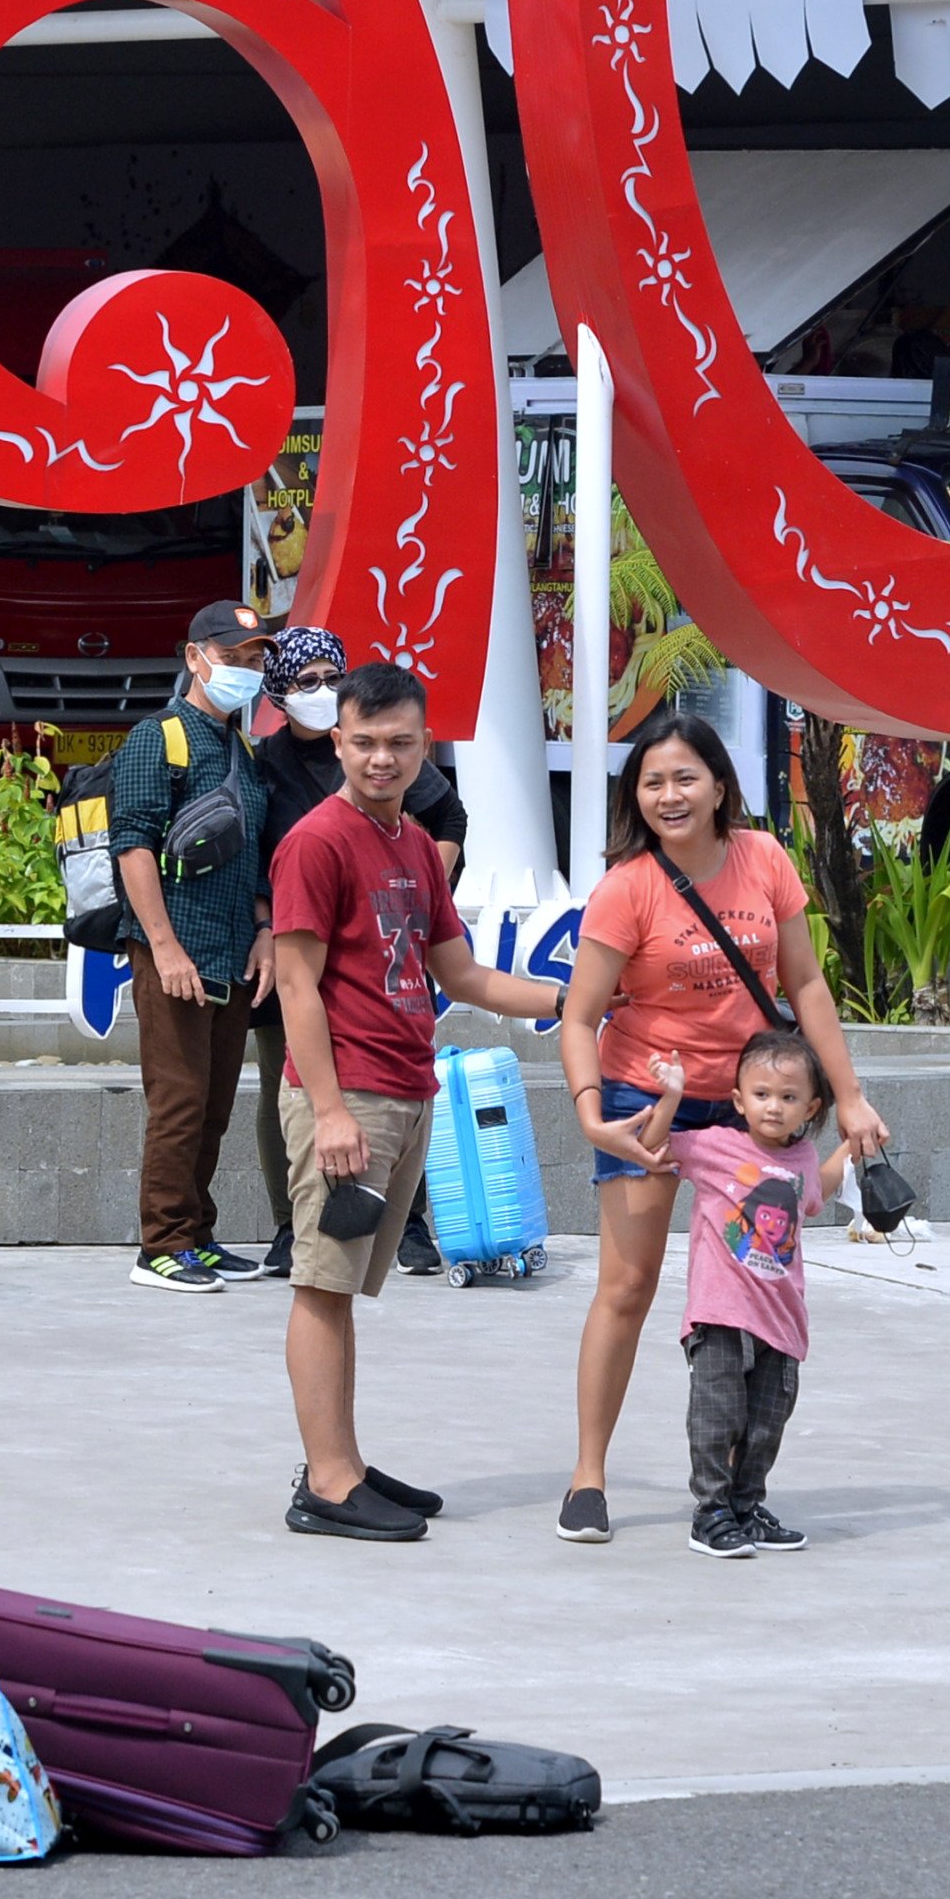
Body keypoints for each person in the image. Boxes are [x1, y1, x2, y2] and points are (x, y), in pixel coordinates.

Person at [552, 715, 886, 1547]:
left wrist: (847, 1097)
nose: (669, 795)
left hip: (753, 1108)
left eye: (685, 778)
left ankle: (737, 1490)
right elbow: (580, 1013)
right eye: (652, 782)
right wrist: (593, 1109)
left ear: (720, 783)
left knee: (753, 1297)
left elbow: (804, 984)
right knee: (626, 1288)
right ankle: (588, 1474)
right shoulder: (628, 885)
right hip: (646, 1100)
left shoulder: (764, 859)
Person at [268, 661, 562, 1539]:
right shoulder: (317, 841)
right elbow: (294, 984)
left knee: (347, 1287)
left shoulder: (409, 844)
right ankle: (325, 1479)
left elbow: (459, 972)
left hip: (404, 1088)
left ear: (424, 745)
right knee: (321, 1286)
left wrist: (572, 1000)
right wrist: (328, 1110)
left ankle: (345, 1461)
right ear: (337, 739)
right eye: (363, 742)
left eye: (398, 743)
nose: (380, 759)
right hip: (347, 1093)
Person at [243, 624, 464, 1282]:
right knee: (289, 1074)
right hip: (296, 948)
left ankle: (407, 1223)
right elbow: (261, 854)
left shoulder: (394, 779)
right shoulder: (271, 766)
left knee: (393, 1108)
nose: (380, 755)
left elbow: (449, 820)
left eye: (329, 675)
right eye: (304, 679)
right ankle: (291, 1222)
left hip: (381, 959)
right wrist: (266, 924)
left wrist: (423, 889)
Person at [112, 600, 276, 1293]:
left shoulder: (239, 749)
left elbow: (257, 855)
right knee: (178, 1103)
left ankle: (198, 1234)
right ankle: (161, 1244)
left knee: (211, 1105)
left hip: (233, 955)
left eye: (252, 660)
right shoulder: (160, 738)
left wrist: (265, 931)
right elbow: (133, 844)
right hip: (176, 954)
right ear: (194, 658)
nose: (242, 671)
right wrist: (165, 947)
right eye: (230, 658)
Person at [640, 1029, 847, 1557]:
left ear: (811, 1107)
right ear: (738, 1100)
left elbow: (814, 1197)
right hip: (720, 1313)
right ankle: (709, 1512)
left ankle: (745, 1508)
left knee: (765, 1427)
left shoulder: (801, 1158)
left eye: (788, 1097)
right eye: (761, 1095)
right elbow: (652, 1147)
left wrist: (852, 1145)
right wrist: (672, 1096)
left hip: (782, 1321)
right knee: (717, 1418)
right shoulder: (714, 1146)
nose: (773, 1107)